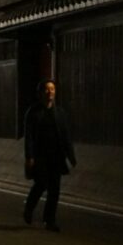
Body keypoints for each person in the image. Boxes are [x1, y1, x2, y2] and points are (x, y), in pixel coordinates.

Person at [23, 79, 77, 232]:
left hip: (56, 156)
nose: (50, 92)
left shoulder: (60, 113)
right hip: (40, 156)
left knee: (54, 190)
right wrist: (30, 157)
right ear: (40, 93)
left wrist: (71, 156)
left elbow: (65, 135)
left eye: (52, 89)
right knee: (41, 184)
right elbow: (29, 137)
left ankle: (49, 220)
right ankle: (29, 208)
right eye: (47, 90)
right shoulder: (32, 113)